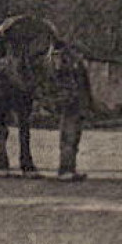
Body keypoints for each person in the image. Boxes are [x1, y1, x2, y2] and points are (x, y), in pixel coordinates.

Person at [48, 42, 91, 182]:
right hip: (70, 106)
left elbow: (86, 89)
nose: (81, 56)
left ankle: (71, 169)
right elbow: (65, 87)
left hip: (78, 106)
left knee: (74, 139)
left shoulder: (78, 67)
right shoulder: (66, 68)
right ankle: (65, 170)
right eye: (79, 53)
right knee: (69, 138)